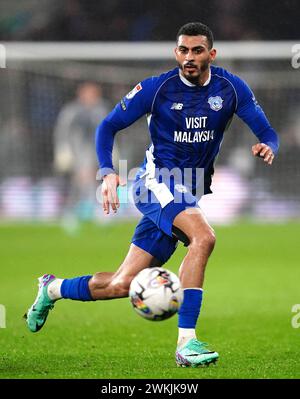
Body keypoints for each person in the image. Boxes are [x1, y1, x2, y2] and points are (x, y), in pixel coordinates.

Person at [24, 22, 279, 367]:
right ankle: (186, 343)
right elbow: (108, 126)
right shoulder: (157, 89)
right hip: (154, 183)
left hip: (187, 191)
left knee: (121, 284)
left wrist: (268, 145)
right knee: (203, 237)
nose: (189, 57)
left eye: (197, 50)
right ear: (176, 53)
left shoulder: (231, 88)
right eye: (183, 50)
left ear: (211, 54)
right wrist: (108, 172)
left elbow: (266, 130)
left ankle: (52, 288)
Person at [53, 82, 110, 221]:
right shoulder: (71, 111)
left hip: (98, 151)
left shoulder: (102, 110)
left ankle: (97, 210)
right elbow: (62, 131)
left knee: (95, 179)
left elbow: (111, 130)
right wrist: (63, 150)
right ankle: (74, 212)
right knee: (82, 179)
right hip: (77, 151)